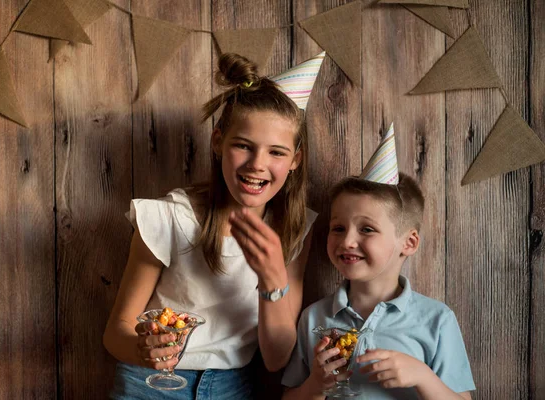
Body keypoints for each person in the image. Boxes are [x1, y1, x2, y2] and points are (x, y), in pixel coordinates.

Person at [103, 52, 318, 399]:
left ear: (295, 160)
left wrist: (272, 280)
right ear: (218, 142)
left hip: (231, 386)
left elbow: (277, 359)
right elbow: (116, 334)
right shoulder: (171, 218)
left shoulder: (295, 230)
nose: (257, 164)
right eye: (243, 146)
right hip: (150, 384)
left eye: (276, 152)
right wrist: (144, 350)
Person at [281, 125, 475, 399]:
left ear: (408, 243)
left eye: (367, 229)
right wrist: (316, 384)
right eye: (338, 228)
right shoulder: (313, 318)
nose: (347, 241)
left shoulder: (436, 320)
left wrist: (422, 376)